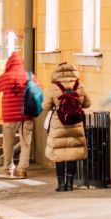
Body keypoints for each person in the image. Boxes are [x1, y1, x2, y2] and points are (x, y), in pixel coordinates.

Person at [43, 61, 91, 192]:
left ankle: (61, 184)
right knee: (72, 153)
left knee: (59, 154)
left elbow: (45, 106)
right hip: (76, 124)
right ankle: (70, 184)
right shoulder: (79, 85)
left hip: (59, 124)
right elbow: (88, 103)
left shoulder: (54, 87)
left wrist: (57, 105)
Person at [0, 51, 34, 178]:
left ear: (9, 64)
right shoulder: (27, 76)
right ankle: (22, 170)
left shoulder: (7, 76)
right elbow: (38, 87)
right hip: (26, 115)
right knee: (26, 142)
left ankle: (8, 168)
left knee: (8, 143)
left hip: (9, 116)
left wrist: (5, 74)